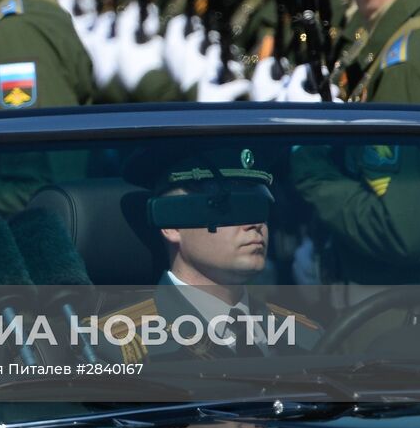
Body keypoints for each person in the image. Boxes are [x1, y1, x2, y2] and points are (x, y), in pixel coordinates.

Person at [100, 152, 320, 362]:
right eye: (229, 207)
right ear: (172, 224)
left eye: (258, 206)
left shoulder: (304, 335)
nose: (254, 224)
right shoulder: (116, 345)